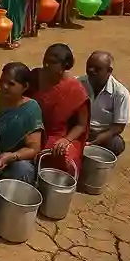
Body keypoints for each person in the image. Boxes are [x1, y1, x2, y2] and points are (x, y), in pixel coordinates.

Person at [26, 44, 90, 175]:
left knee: (61, 157)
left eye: (53, 63)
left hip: (56, 136)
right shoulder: (34, 77)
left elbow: (81, 125)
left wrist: (66, 140)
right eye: (46, 61)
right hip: (31, 129)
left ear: (64, 67)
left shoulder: (75, 90)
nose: (47, 66)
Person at [0, 63, 43, 184]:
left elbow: (34, 148)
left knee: (23, 169)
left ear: (25, 87)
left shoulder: (31, 110)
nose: (4, 86)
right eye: (2, 81)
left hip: (12, 161)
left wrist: (11, 156)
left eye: (11, 84)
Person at [80, 51, 130, 157]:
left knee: (117, 144)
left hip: (101, 133)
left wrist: (100, 137)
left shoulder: (120, 93)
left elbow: (119, 126)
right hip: (79, 128)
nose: (90, 71)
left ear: (109, 71)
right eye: (89, 66)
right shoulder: (78, 84)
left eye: (97, 68)